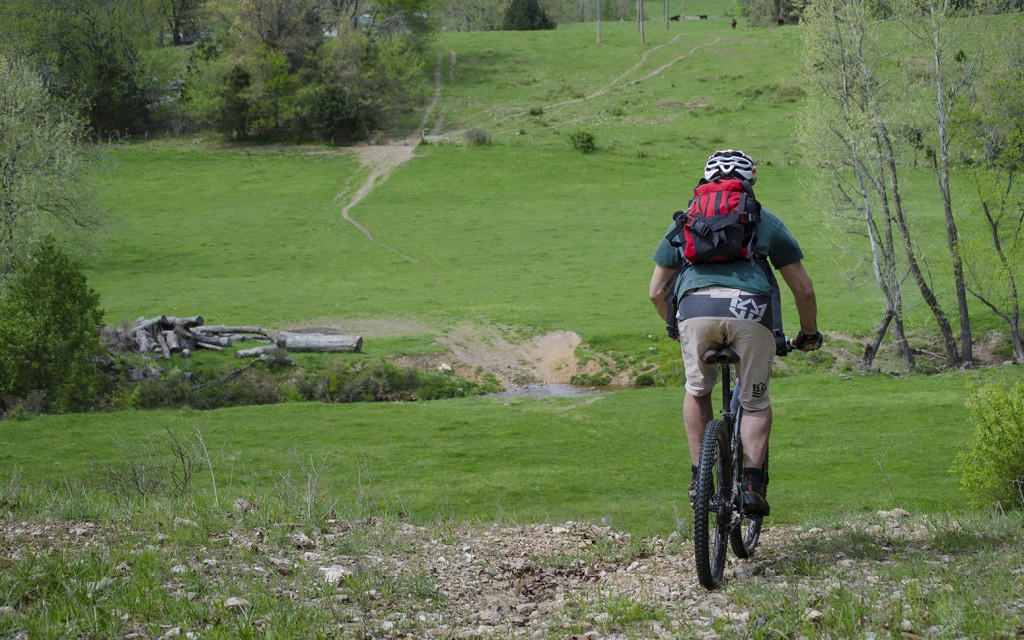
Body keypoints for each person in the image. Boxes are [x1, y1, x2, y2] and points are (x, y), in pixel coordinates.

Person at [648, 149, 822, 516]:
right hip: (750, 310)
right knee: (755, 401)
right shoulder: (764, 220)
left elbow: (655, 292)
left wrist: (676, 326)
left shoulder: (686, 219)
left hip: (694, 311)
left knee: (697, 390)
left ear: (706, 181)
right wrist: (808, 334)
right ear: (750, 182)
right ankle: (751, 486)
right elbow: (803, 289)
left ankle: (699, 480)